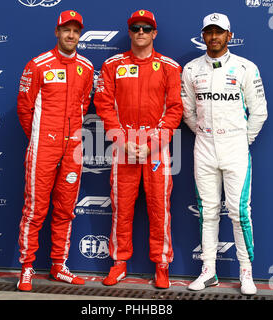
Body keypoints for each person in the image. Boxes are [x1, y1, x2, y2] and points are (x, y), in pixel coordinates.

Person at [94, 9, 183, 289]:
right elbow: (104, 105)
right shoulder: (112, 65)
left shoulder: (169, 67)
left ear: (154, 33)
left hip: (156, 150)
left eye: (146, 28)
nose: (141, 33)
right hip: (124, 146)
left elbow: (175, 109)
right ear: (130, 33)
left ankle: (162, 265)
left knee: (160, 208)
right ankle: (119, 263)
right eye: (136, 28)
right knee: (121, 207)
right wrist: (121, 139)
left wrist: (152, 145)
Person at [181, 13, 267, 295]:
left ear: (230, 36)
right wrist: (205, 134)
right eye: (209, 32)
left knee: (240, 213)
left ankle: (246, 272)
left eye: (219, 32)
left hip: (235, 148)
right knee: (207, 212)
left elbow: (259, 112)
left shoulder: (245, 68)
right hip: (204, 147)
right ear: (203, 35)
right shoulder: (192, 69)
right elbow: (188, 112)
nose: (214, 37)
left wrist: (242, 140)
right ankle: (208, 271)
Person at [16, 10, 94, 291]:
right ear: (57, 32)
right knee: (35, 209)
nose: (71, 35)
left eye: (75, 30)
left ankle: (58, 265)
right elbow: (25, 109)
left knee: (65, 210)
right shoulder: (38, 65)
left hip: (73, 148)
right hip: (43, 147)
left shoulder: (86, 67)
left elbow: (84, 105)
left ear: (79, 34)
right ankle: (27, 268)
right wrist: (40, 138)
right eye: (66, 30)